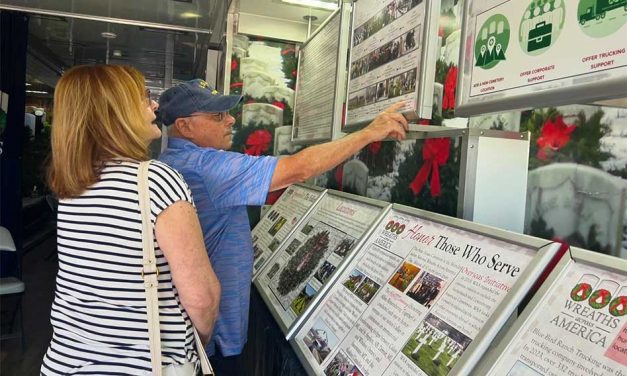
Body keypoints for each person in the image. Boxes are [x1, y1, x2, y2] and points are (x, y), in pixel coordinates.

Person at [158, 79, 408, 373]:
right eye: (217, 116)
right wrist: (369, 133)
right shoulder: (204, 166)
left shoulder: (173, 161)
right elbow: (299, 167)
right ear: (185, 126)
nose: (230, 119)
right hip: (212, 344)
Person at [41, 65, 221, 375]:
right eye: (144, 98)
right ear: (115, 112)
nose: (154, 106)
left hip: (65, 363)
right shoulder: (156, 181)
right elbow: (202, 301)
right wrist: (192, 347)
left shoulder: (71, 184)